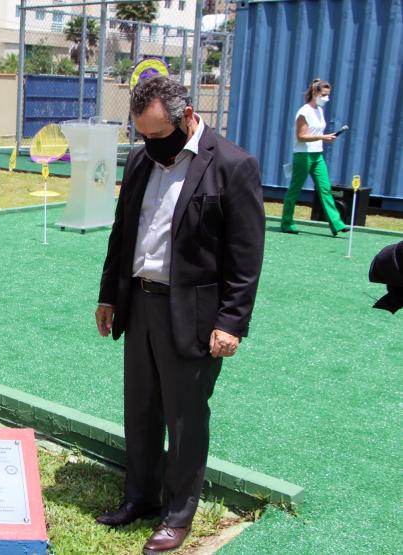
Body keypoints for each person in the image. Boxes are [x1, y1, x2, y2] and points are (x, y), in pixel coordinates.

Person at [94, 76, 264, 554]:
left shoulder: (233, 164)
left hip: (192, 313)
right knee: (141, 409)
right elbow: (123, 231)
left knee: (185, 417)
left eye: (158, 134)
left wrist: (231, 322)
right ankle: (140, 498)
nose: (150, 144)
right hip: (141, 303)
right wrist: (110, 295)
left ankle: (177, 515)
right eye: (142, 135)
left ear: (187, 115)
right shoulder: (143, 159)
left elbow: (246, 255)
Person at [280, 78, 349, 235]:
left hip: (317, 155)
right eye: (324, 94)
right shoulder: (304, 112)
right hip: (303, 156)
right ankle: (286, 222)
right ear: (315, 93)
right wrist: (324, 137)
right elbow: (301, 136)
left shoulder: (319, 110)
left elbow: (317, 133)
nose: (327, 98)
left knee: (325, 189)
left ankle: (337, 224)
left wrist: (327, 138)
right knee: (295, 190)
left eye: (328, 95)